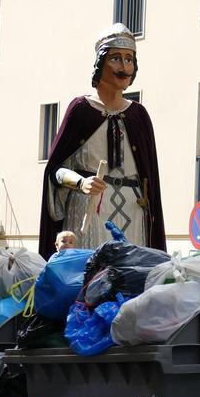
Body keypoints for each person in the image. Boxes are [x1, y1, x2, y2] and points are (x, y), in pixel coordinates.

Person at [39, 23, 166, 258]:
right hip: (90, 207)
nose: (124, 66)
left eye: (129, 59)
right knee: (91, 277)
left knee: (131, 279)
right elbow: (56, 171)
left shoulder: (139, 116)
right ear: (100, 62)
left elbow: (150, 176)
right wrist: (80, 182)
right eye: (116, 58)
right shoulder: (81, 110)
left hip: (133, 210)